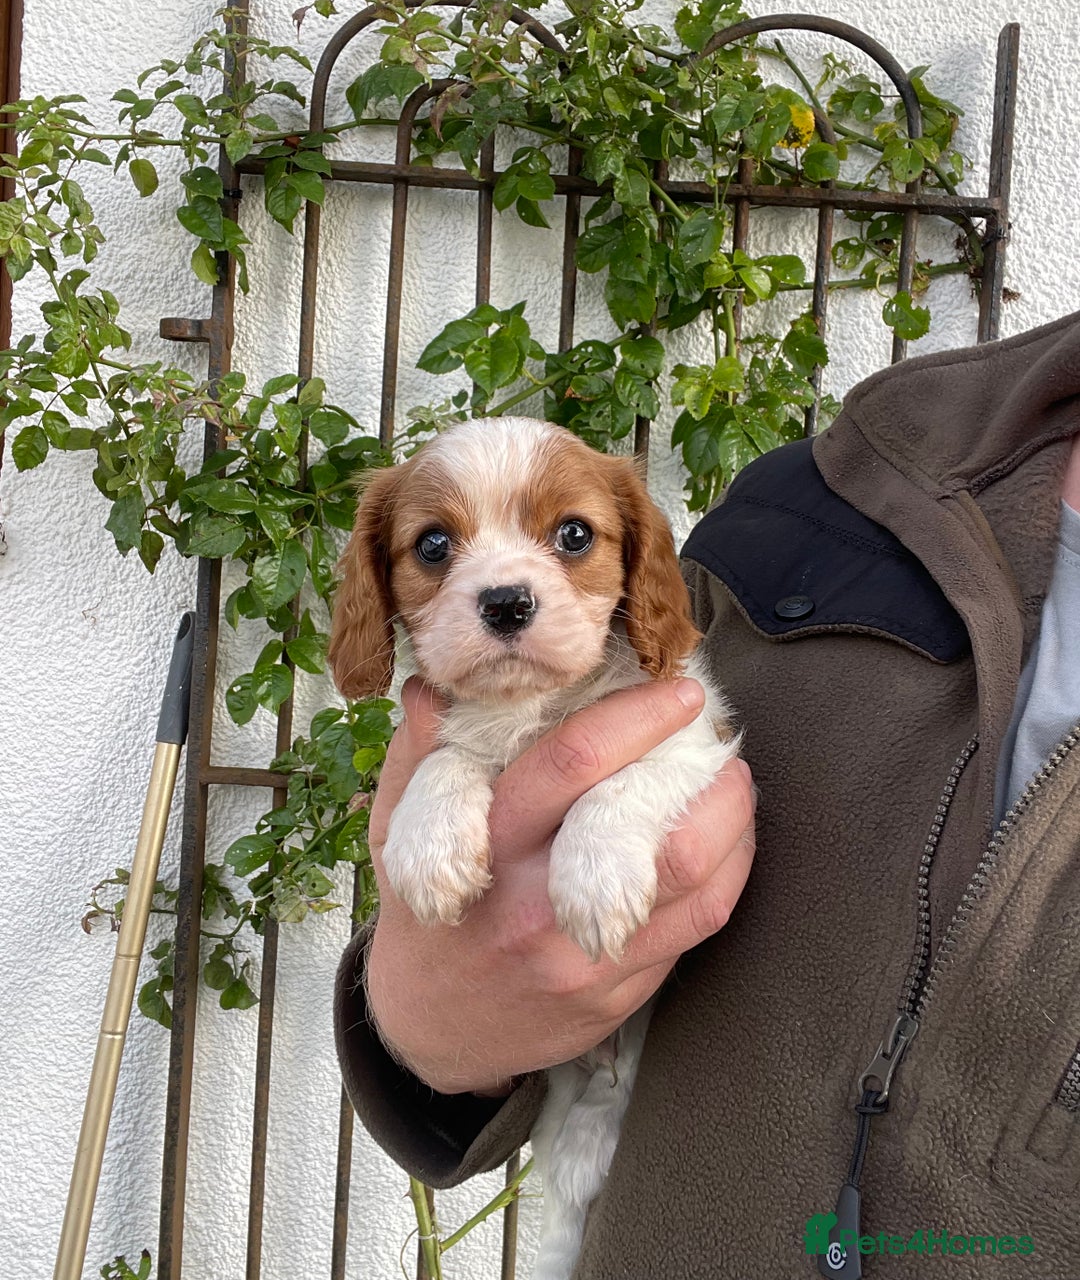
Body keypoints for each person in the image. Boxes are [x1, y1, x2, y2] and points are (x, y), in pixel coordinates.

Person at [334, 310, 1080, 1277]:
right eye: (436, 548)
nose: (505, 584)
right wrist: (420, 1019)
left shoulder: (648, 645)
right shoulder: (830, 484)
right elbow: (459, 966)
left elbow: (688, 735)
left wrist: (611, 818)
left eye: (569, 537)